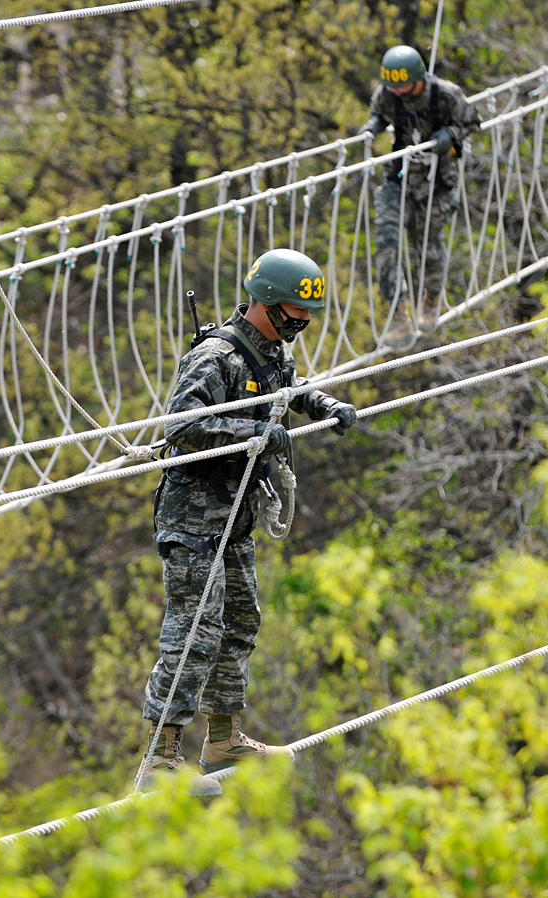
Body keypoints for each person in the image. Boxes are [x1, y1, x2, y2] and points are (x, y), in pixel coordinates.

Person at [136, 248, 359, 794]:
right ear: (264, 302)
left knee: (240, 621)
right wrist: (251, 435)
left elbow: (291, 387)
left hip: (236, 518)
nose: (300, 322)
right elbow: (182, 426)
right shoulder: (217, 357)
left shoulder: (271, 353)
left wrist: (324, 404)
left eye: (306, 315)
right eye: (291, 311)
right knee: (194, 632)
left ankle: (223, 736)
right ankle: (160, 762)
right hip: (195, 522)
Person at [359, 44, 481, 337]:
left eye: (404, 86)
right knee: (387, 241)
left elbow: (473, 121)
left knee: (427, 246)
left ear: (419, 77)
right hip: (398, 180)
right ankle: (397, 313)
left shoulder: (446, 94)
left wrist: (449, 135)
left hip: (436, 183)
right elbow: (379, 114)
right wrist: (371, 128)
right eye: (394, 87)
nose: (398, 92)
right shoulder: (390, 92)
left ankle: (430, 298)